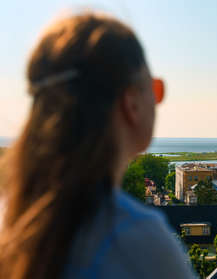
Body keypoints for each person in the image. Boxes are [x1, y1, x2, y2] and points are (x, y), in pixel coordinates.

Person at [0, 12, 197, 279]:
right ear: (132, 103)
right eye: (155, 88)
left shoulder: (11, 222)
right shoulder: (138, 241)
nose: (157, 99)